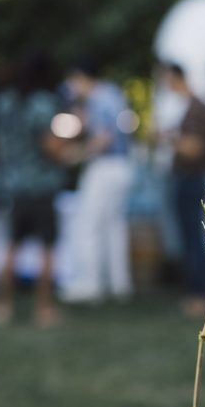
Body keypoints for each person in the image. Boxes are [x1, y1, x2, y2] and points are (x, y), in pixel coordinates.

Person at [0, 50, 67, 327]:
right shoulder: (42, 104)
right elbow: (51, 148)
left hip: (14, 184)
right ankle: (44, 309)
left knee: (12, 247)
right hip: (41, 186)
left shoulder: (3, 102)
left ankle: (3, 307)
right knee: (47, 249)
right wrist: (67, 150)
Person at [61, 58, 134, 303]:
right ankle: (119, 284)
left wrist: (78, 154)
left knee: (88, 225)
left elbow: (104, 138)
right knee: (114, 226)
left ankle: (89, 284)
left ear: (82, 77)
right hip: (122, 167)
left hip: (105, 167)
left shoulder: (99, 99)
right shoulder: (113, 94)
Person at [164, 63, 205, 317]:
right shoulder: (192, 107)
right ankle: (198, 292)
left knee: (194, 237)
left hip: (191, 179)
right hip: (188, 178)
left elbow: (195, 148)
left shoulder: (197, 109)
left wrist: (167, 138)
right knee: (191, 236)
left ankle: (199, 295)